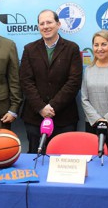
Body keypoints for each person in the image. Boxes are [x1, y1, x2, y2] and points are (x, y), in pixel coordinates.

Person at [19, 9, 82, 153]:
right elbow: (26, 81)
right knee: (36, 159)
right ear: (38, 27)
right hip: (35, 116)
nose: (45, 26)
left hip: (64, 117)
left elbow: (74, 81)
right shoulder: (29, 49)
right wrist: (41, 107)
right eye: (42, 23)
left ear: (58, 24)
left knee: (63, 160)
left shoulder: (72, 48)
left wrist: (52, 106)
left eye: (49, 22)